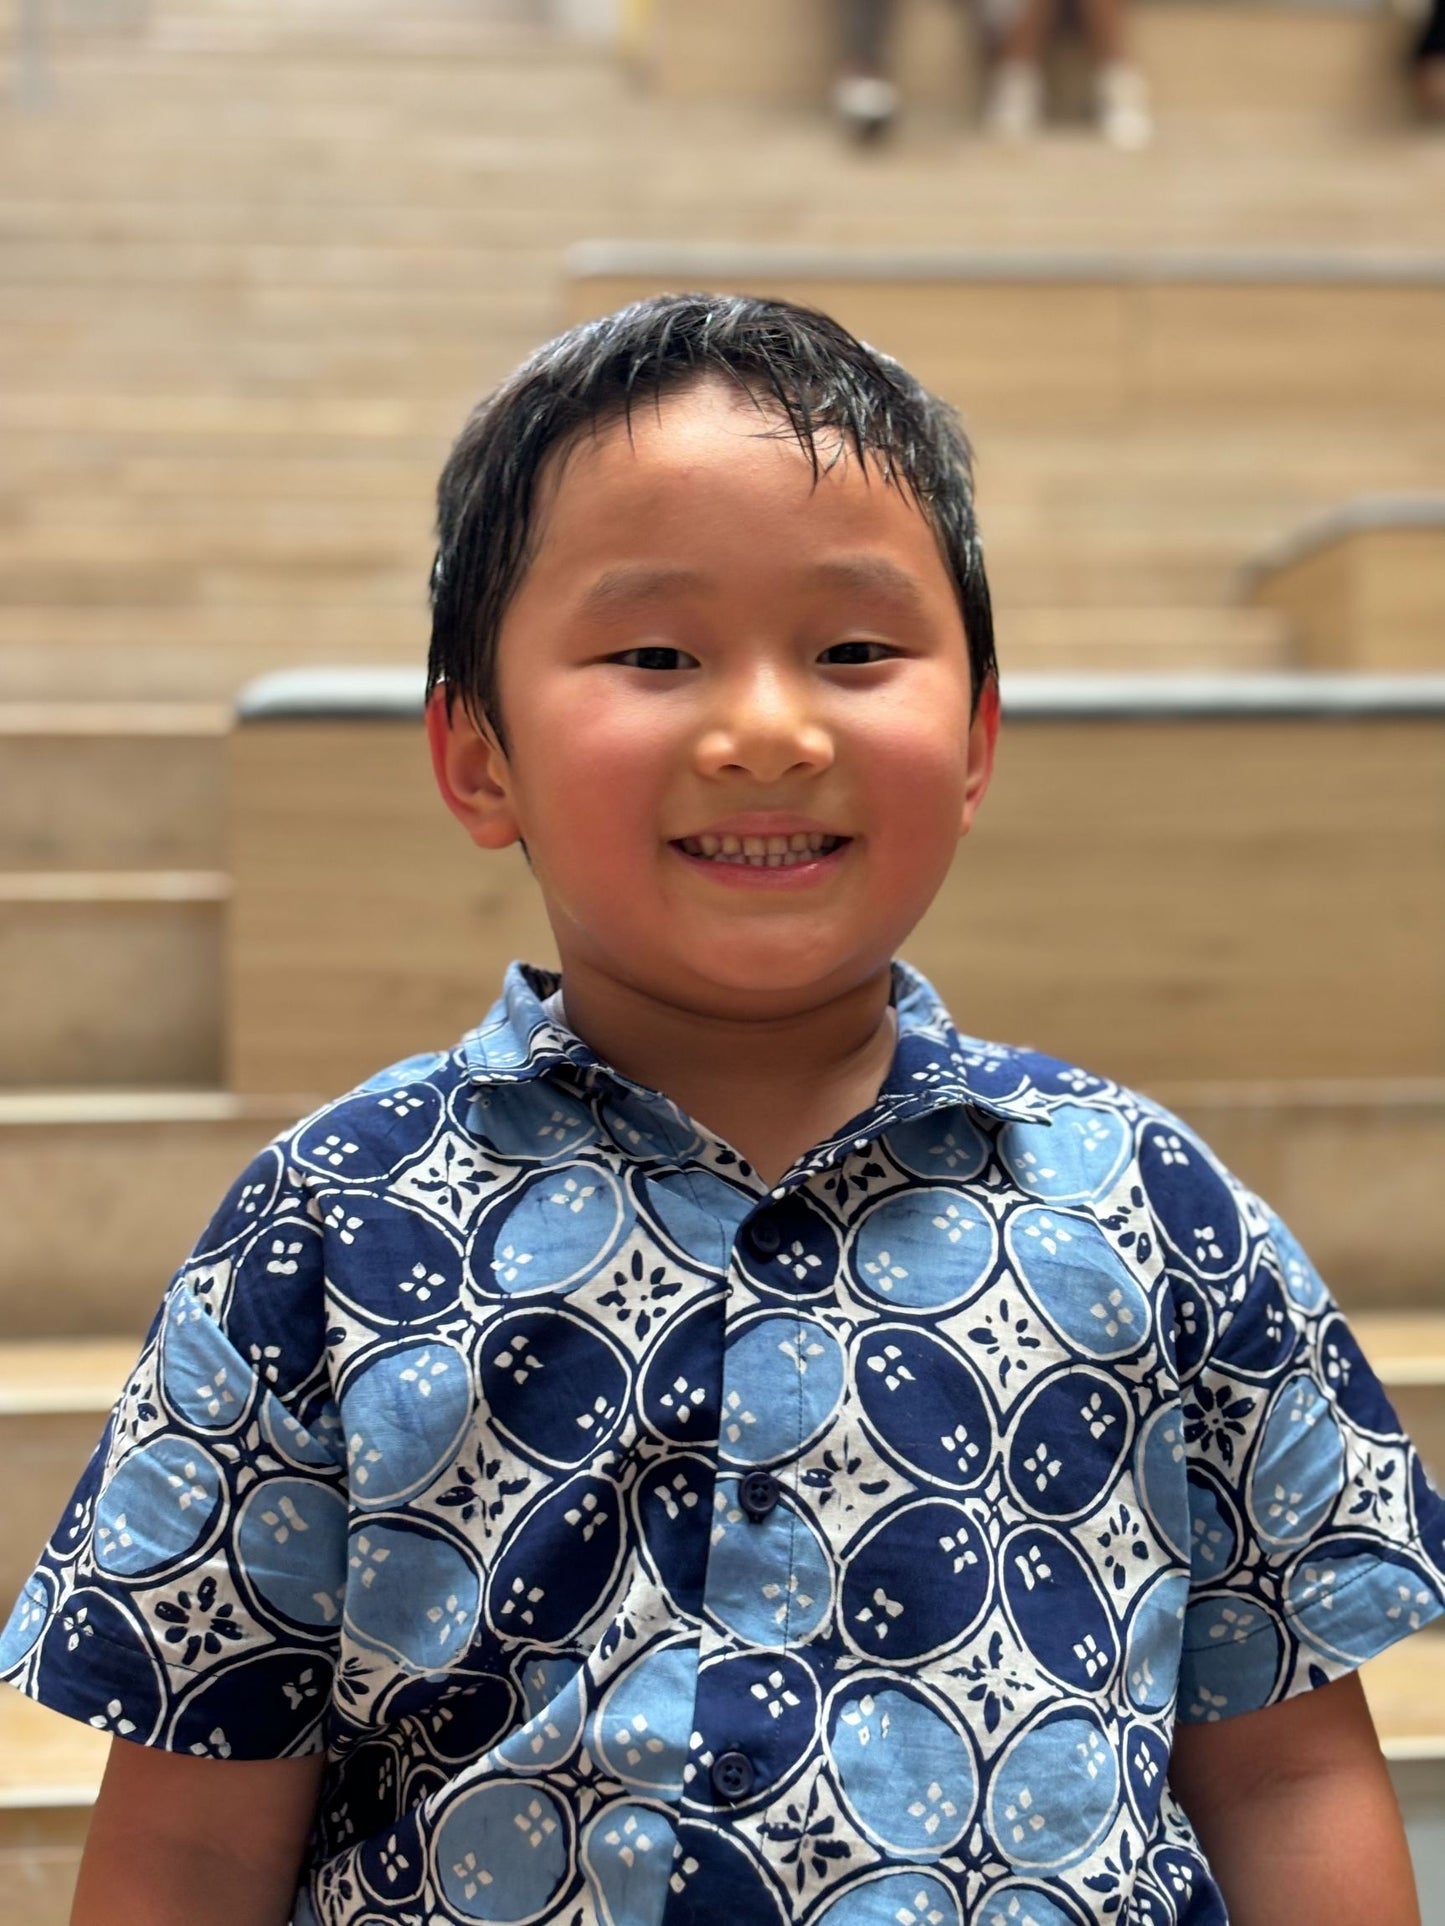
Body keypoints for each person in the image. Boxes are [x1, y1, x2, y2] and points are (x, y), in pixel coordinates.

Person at [2, 292, 1436, 1925]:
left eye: (852, 651)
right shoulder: (333, 1223)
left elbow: (1286, 1771)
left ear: (973, 738)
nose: (767, 727)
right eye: (655, 654)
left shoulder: (1148, 1204)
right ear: (478, 757)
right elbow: (190, 1838)